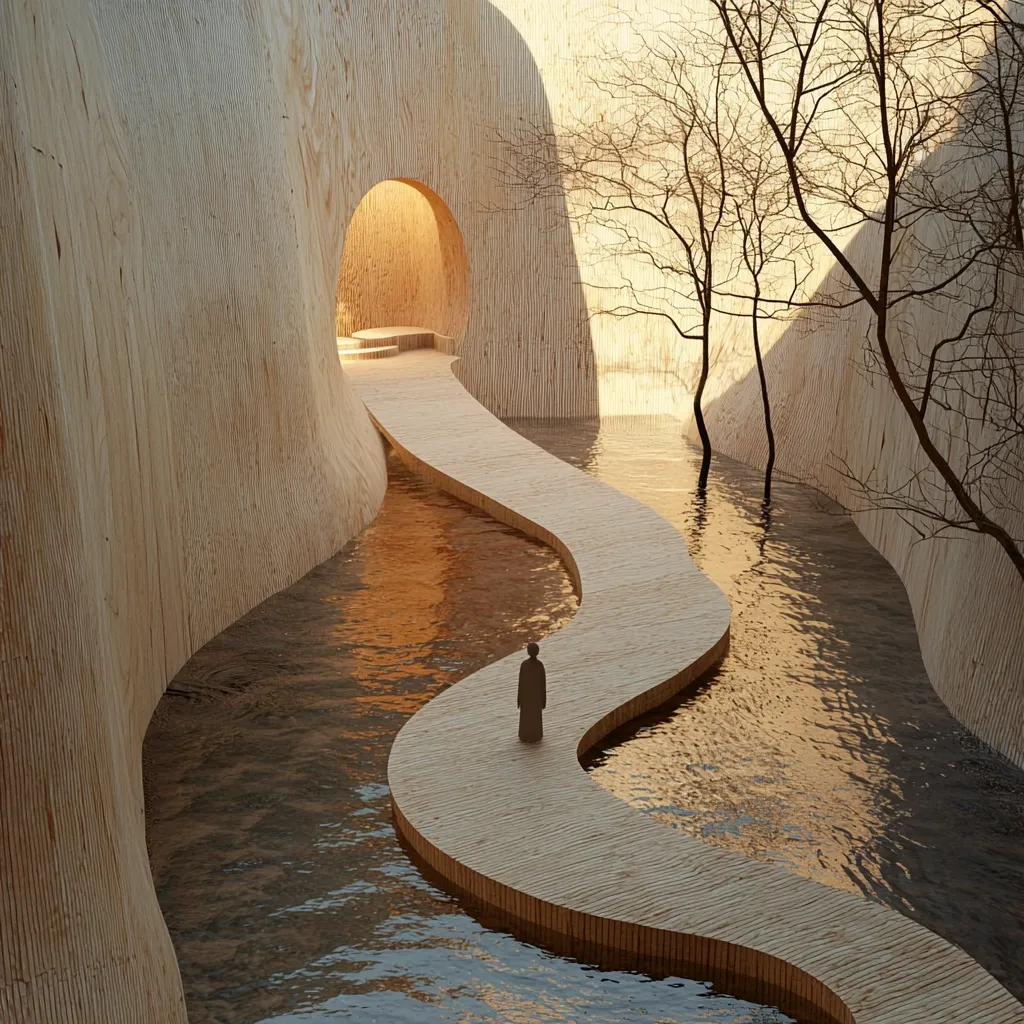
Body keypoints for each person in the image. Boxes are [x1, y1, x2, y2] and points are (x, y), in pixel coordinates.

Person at [517, 642, 546, 743]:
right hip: (536, 697)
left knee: (526, 717)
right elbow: (543, 684)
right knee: (535, 717)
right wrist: (543, 700)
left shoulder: (524, 665)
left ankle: (524, 735)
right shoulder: (539, 665)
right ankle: (536, 735)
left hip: (526, 697)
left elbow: (521, 683)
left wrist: (519, 699)